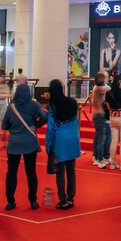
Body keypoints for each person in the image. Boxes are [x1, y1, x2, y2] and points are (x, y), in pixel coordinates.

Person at [1, 84, 47, 210]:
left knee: (11, 173)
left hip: (14, 143)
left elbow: (4, 125)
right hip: (29, 143)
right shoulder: (34, 105)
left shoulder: (11, 107)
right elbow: (44, 116)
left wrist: (13, 127)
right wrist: (36, 124)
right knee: (31, 172)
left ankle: (10, 201)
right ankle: (33, 200)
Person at [45, 80, 80, 210]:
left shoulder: (53, 107)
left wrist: (48, 146)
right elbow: (76, 120)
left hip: (60, 141)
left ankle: (63, 200)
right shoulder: (72, 102)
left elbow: (51, 128)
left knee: (60, 172)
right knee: (71, 170)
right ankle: (71, 198)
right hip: (73, 139)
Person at [90, 72, 111, 168]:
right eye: (105, 78)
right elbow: (110, 90)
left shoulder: (96, 88)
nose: (106, 79)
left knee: (99, 137)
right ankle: (99, 159)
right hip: (99, 115)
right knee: (101, 139)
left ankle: (97, 157)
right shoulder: (100, 89)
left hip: (97, 114)